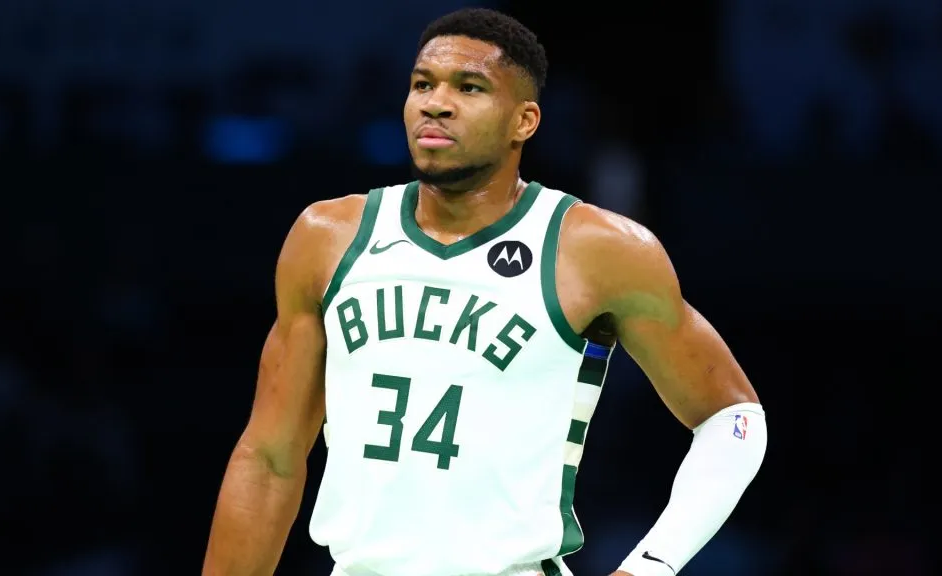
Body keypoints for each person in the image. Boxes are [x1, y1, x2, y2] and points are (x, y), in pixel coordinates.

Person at [202, 7, 767, 576]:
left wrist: (650, 567)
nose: (436, 103)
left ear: (524, 121)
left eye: (469, 87)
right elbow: (269, 459)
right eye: (422, 84)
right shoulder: (327, 237)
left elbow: (734, 417)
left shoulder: (596, 249)